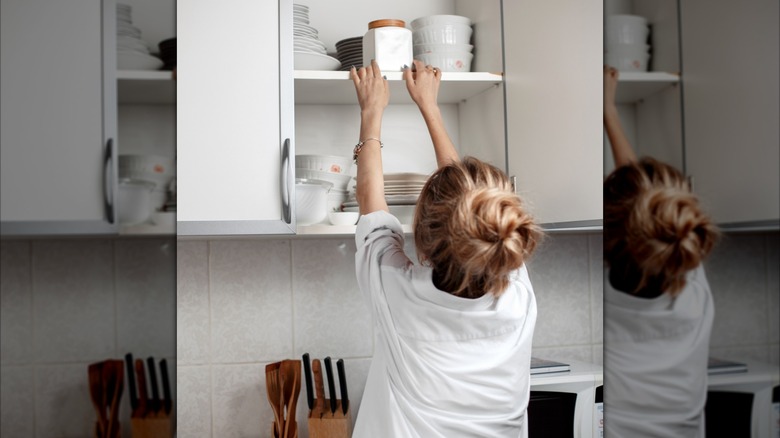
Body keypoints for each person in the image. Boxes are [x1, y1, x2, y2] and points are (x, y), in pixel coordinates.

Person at [349, 59, 543, 437]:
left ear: (423, 243)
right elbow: (468, 204)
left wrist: (372, 112)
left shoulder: (395, 292)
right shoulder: (516, 293)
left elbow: (369, 200)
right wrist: (431, 109)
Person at [603, 65, 720, 437]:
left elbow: (642, 201)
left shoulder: (604, 306)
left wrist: (607, 110)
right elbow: (641, 204)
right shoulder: (692, 288)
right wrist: (609, 109)